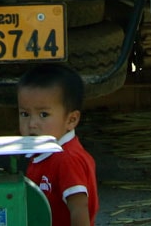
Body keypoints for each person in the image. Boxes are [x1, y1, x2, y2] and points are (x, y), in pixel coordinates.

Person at [17, 62, 99, 226]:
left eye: (44, 115)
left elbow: (79, 209)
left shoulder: (67, 159)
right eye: (25, 114)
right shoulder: (40, 153)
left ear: (71, 120)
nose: (32, 123)